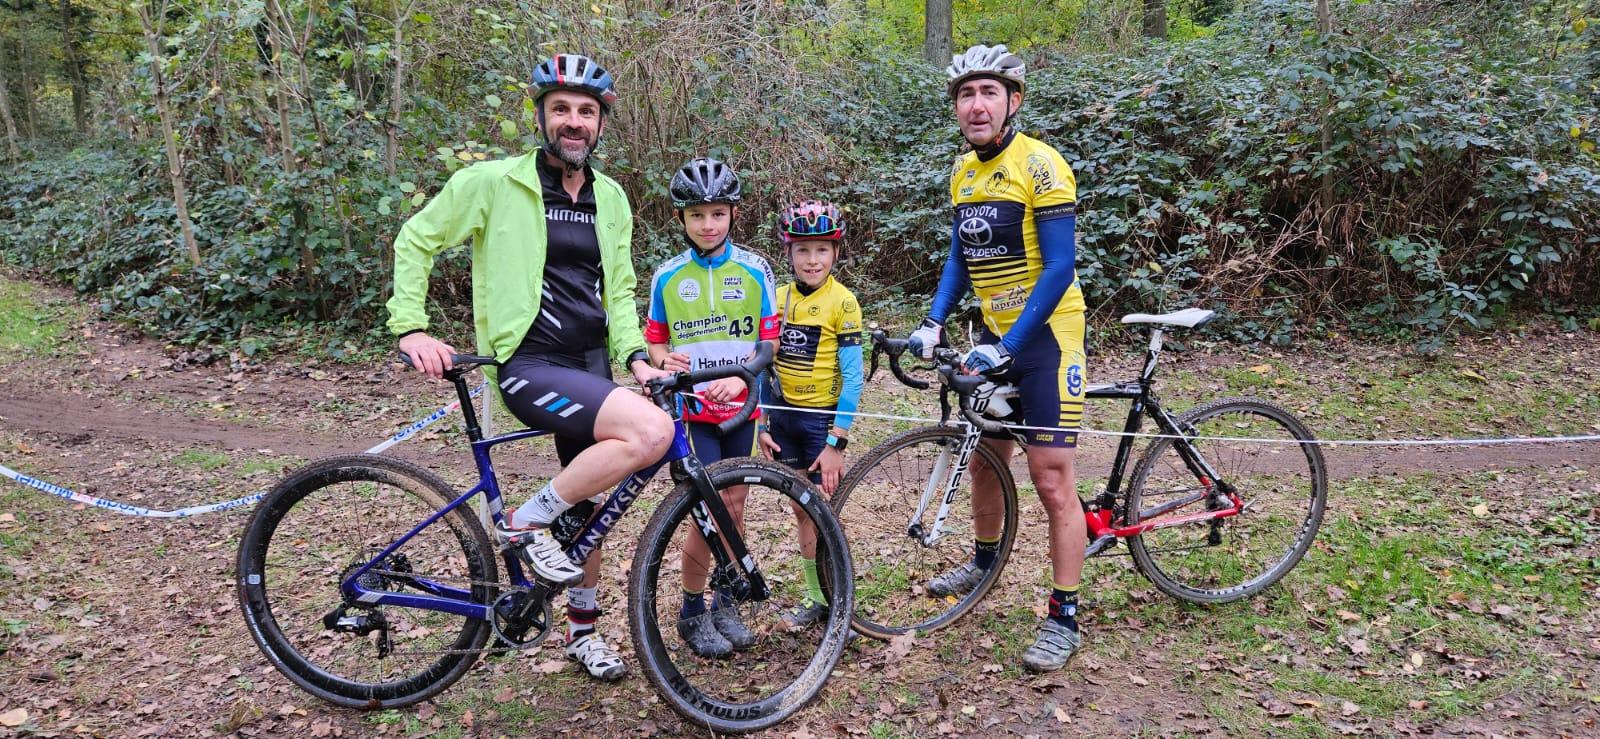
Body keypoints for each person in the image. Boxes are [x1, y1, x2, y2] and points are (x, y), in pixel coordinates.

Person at [387, 53, 672, 682]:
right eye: (562, 109)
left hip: (592, 363)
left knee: (592, 510)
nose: (574, 122)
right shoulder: (495, 183)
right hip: (529, 363)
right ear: (541, 116)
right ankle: (524, 520)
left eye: (587, 112)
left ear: (601, 123)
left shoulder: (611, 198)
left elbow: (618, 290)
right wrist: (411, 325)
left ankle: (582, 632)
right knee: (653, 435)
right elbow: (417, 238)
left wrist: (634, 358)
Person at [906, 44, 1089, 672]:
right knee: (985, 456)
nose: (976, 105)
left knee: (1050, 478)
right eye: (965, 94)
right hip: (992, 333)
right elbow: (961, 257)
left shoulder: (1041, 166)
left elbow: (1061, 267)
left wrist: (1008, 347)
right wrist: (933, 320)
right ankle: (985, 562)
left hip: (1044, 339)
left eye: (988, 92)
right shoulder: (964, 173)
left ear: (1013, 101)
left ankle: (1064, 615)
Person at [644, 157, 780, 657]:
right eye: (698, 215)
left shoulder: (755, 268)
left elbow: (768, 344)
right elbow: (654, 343)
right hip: (692, 410)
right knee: (706, 509)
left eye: (717, 214)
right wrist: (662, 358)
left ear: (732, 214)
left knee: (736, 505)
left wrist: (737, 376)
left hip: (741, 407)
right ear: (681, 218)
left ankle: (727, 599)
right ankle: (691, 610)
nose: (708, 224)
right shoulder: (666, 276)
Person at [757, 200, 864, 628]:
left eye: (821, 250)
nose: (812, 259)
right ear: (789, 253)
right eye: (802, 250)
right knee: (802, 510)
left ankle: (842, 603)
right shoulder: (777, 298)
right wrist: (762, 422)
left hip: (822, 419)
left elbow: (854, 379)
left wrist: (837, 442)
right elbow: (763, 363)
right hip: (783, 416)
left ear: (835, 252)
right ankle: (817, 597)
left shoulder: (844, 302)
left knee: (825, 513)